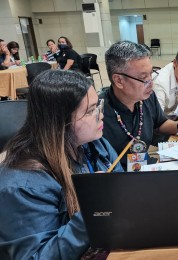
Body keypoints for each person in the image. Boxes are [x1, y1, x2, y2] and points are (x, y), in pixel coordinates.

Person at [0, 69, 123, 258]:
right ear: (60, 122)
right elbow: (37, 256)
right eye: (90, 111)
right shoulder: (23, 184)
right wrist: (92, 211)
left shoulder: (94, 143)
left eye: (98, 105)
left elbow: (121, 190)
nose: (100, 115)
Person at [100, 41, 178, 169]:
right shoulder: (98, 114)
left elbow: (161, 123)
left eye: (150, 74)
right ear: (119, 80)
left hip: (143, 166)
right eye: (143, 77)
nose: (151, 83)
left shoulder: (146, 96)